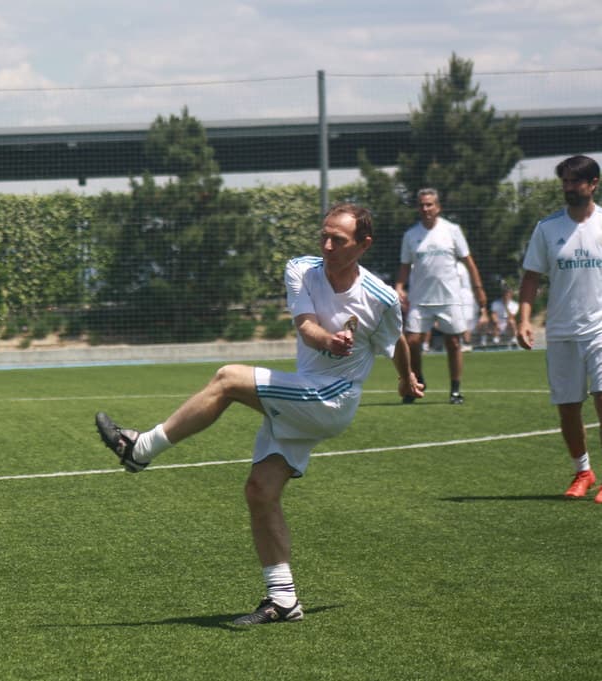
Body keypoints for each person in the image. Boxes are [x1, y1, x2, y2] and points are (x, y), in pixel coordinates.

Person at [95, 204, 423, 626]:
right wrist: (330, 341)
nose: (326, 245)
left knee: (229, 378)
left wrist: (406, 376)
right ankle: (283, 599)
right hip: (305, 395)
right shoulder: (302, 269)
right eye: (323, 235)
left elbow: (396, 342)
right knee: (259, 491)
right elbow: (306, 327)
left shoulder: (380, 296)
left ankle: (141, 448)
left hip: (332, 401)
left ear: (363, 245)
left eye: (338, 240)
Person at [516, 154, 602, 502]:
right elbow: (531, 278)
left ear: (593, 184)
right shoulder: (547, 228)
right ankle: (582, 471)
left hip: (600, 330)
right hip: (561, 332)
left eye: (575, 181)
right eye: (564, 181)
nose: (568, 188)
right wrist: (523, 319)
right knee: (568, 407)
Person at [395, 188, 488, 404]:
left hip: (449, 298)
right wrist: (399, 286)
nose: (426, 209)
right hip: (420, 299)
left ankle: (455, 390)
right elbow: (404, 265)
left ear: (438, 207)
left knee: (453, 343)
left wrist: (478, 288)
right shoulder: (411, 235)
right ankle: (417, 380)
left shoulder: (452, 230)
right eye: (422, 205)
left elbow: (468, 261)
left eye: (430, 204)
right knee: (412, 341)